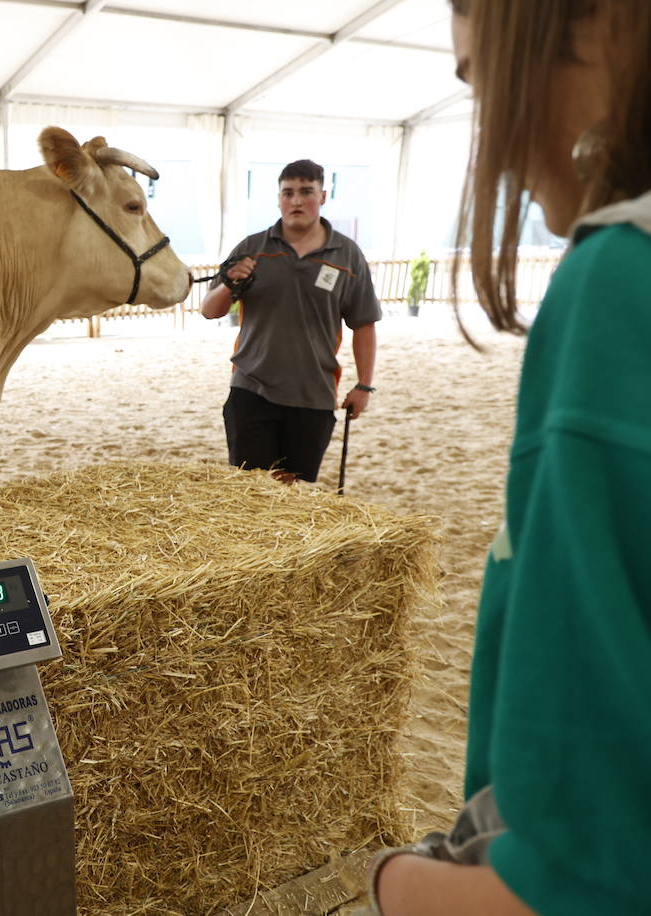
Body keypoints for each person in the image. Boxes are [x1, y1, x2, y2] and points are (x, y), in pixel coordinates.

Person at [368, 1, 651, 914]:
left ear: (603, 26)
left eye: (487, 81)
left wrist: (389, 883)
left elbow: (583, 890)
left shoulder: (616, 287)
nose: (493, 133)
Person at [199, 160, 380, 485]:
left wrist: (364, 385)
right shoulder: (252, 249)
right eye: (288, 193)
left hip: (314, 394)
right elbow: (209, 310)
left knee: (290, 493)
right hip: (251, 389)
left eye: (306, 192)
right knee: (250, 491)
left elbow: (364, 324)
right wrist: (228, 284)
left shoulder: (348, 256)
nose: (297, 201)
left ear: (322, 195)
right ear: (279, 198)